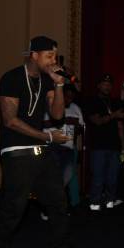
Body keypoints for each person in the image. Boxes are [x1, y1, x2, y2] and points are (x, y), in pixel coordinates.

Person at [0, 36, 93, 248]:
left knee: (58, 203)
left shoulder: (47, 81)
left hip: (40, 150)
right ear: (34, 55)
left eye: (55, 55)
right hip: (16, 151)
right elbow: (10, 121)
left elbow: (56, 116)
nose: (54, 60)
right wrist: (47, 138)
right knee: (14, 207)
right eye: (49, 55)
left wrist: (59, 85)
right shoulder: (11, 78)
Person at [85, 74, 124, 210]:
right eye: (104, 83)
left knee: (113, 178)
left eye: (109, 84)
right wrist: (114, 115)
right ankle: (94, 203)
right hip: (98, 146)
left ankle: (110, 200)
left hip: (114, 146)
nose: (107, 86)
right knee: (98, 177)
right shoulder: (92, 101)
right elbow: (97, 121)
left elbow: (120, 126)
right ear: (98, 85)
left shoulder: (114, 102)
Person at [43, 84, 84, 213]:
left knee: (67, 177)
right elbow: (43, 128)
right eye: (67, 96)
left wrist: (75, 142)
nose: (69, 100)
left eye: (72, 97)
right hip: (52, 147)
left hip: (69, 148)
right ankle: (49, 208)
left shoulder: (76, 109)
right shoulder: (51, 106)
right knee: (54, 178)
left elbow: (80, 128)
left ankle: (54, 206)